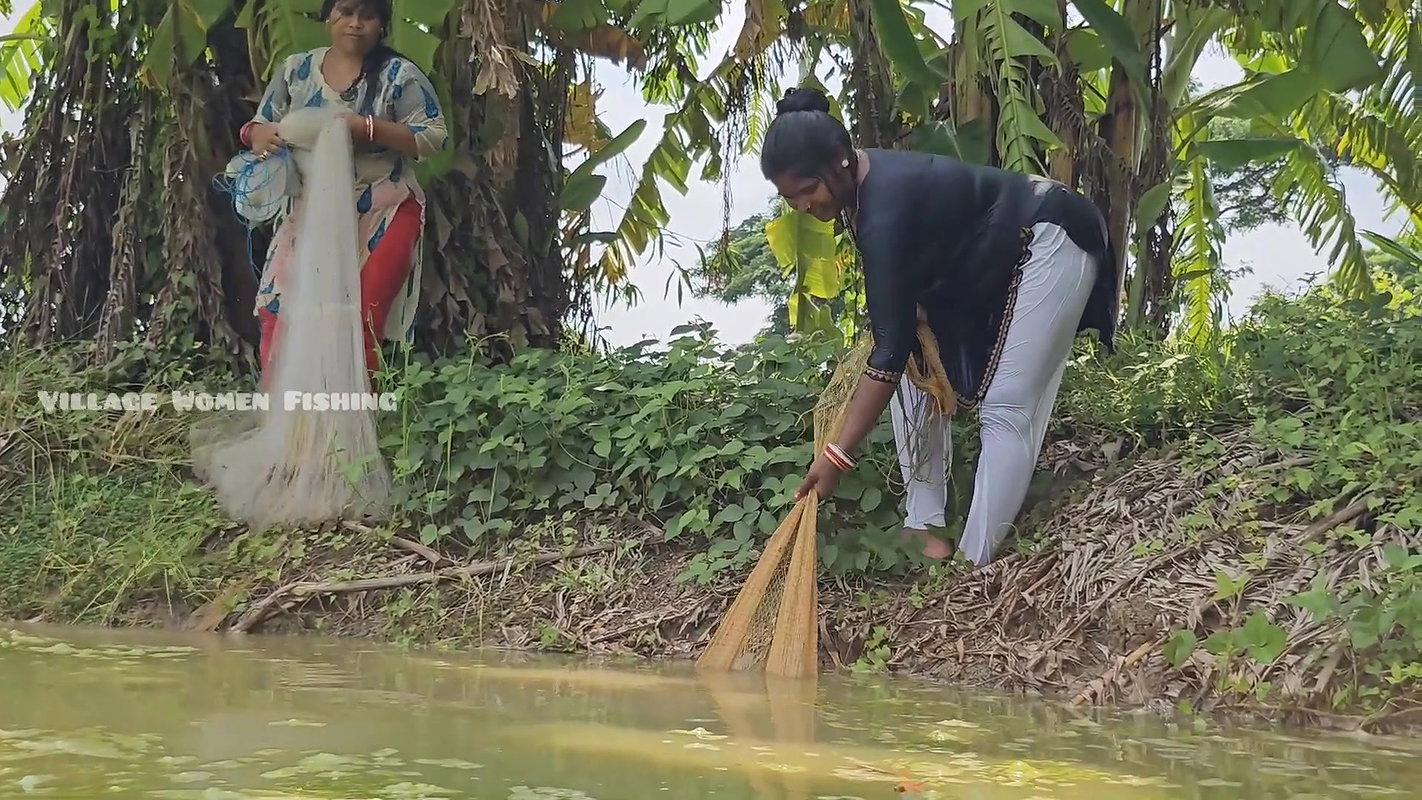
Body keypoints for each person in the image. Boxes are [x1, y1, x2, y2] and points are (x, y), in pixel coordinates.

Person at [766, 86, 1117, 568]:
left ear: (839, 161)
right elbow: (899, 337)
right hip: (988, 262)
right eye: (792, 198)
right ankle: (924, 523)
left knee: (1008, 406)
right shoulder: (863, 195)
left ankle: (976, 565)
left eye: (808, 190)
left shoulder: (884, 204)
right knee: (915, 369)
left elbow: (884, 354)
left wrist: (836, 457)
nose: (803, 206)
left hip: (1050, 234)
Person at [239, 0, 448, 386]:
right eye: (346, 13)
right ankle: (288, 427)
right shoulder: (296, 71)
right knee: (278, 311)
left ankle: (353, 429)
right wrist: (257, 135)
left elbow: (432, 136)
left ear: (382, 25)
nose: (355, 24)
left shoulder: (398, 75)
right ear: (328, 19)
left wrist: (367, 128)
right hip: (309, 212)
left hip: (383, 207)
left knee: (359, 317)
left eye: (368, 16)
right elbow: (258, 125)